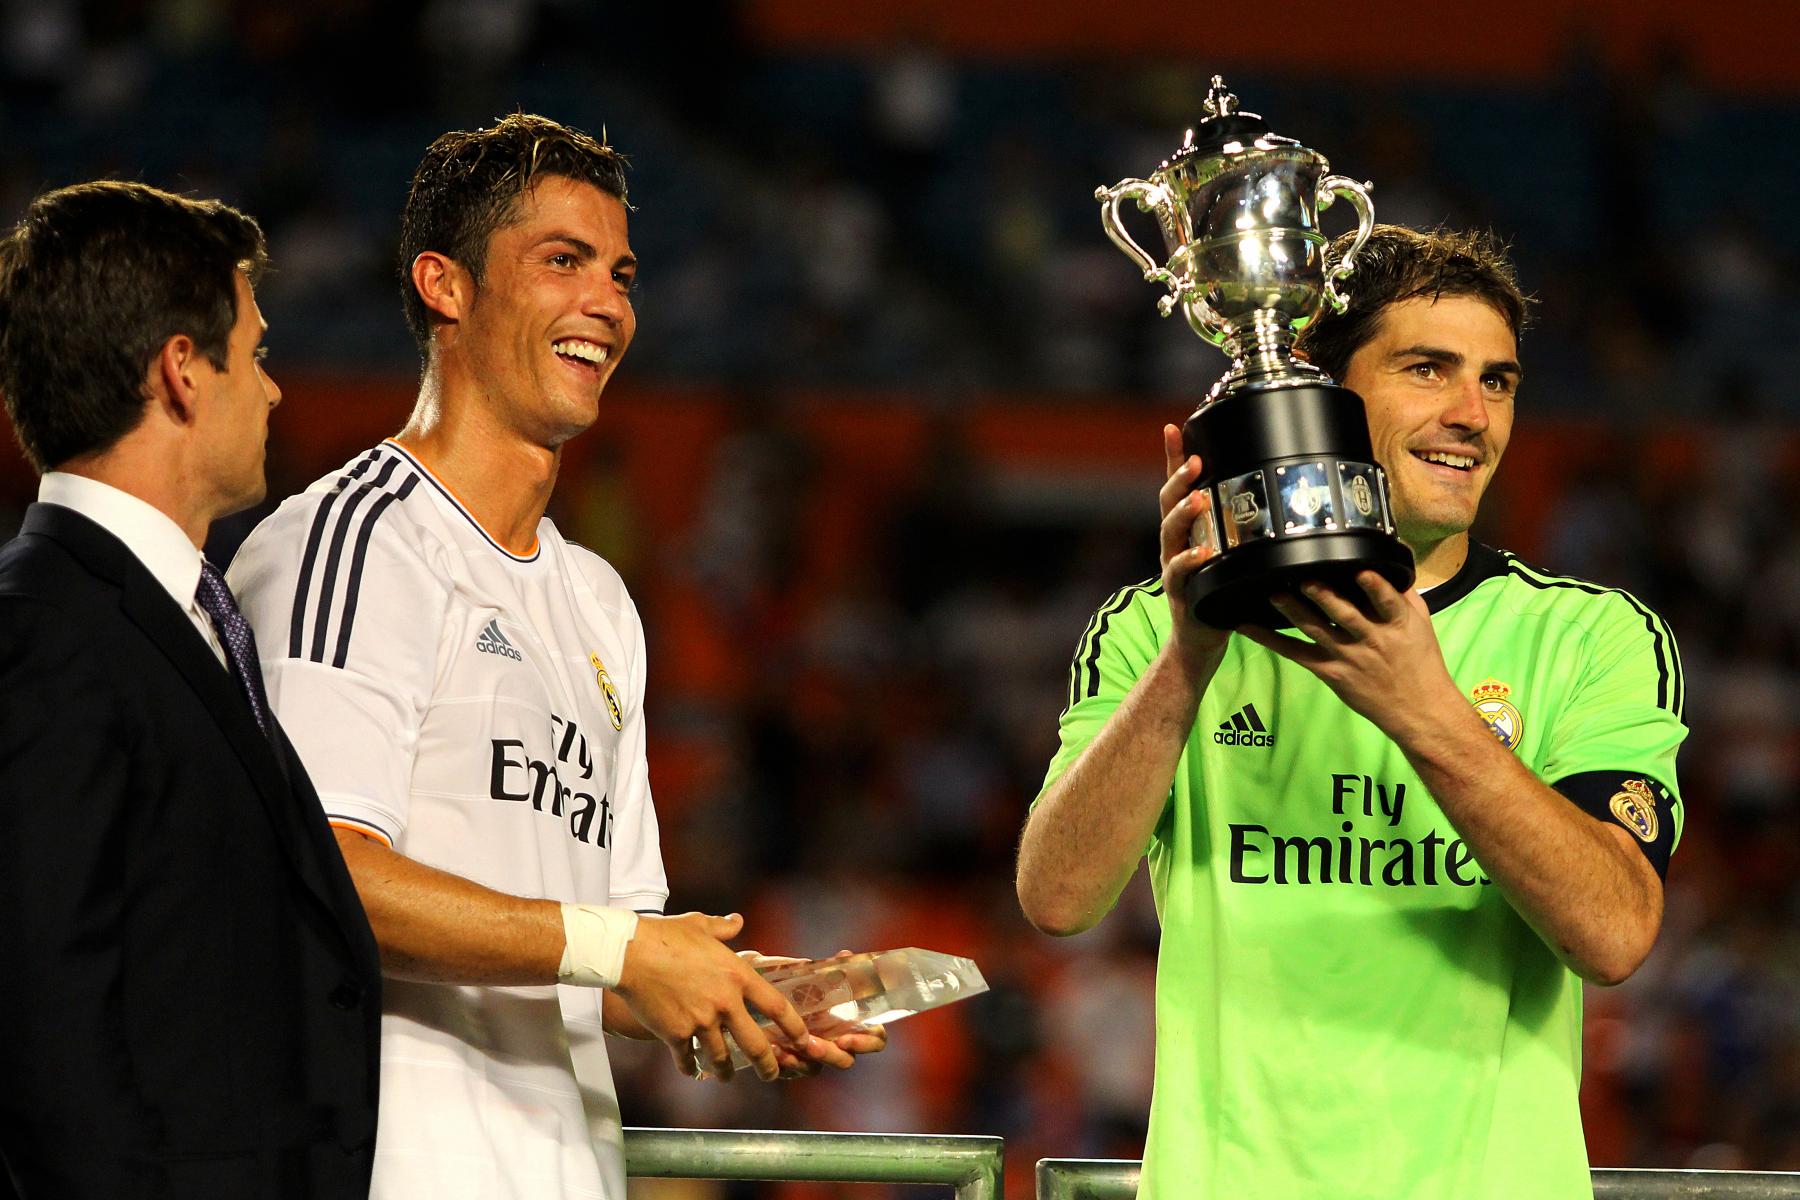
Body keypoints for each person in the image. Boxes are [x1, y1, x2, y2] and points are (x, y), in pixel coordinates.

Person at [228, 114, 882, 1200]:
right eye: (563, 261)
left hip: (568, 1169)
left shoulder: (600, 602)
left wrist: (726, 990)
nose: (608, 305)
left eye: (621, 274)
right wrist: (626, 951)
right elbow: (323, 869)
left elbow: (600, 954)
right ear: (445, 285)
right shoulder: (354, 542)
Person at [1016, 225, 1685, 1199]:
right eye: (1428, 369)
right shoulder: (1152, 632)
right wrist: (1191, 655)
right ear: (1322, 397)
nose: (1472, 415)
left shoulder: (1591, 636)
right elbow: (1058, 899)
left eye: (1497, 381)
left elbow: (1614, 934)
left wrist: (1426, 713)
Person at [0, 182, 381, 1197]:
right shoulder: (43, 632)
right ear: (180, 370)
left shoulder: (181, 619)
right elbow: (42, 1023)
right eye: (254, 355)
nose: (275, 391)